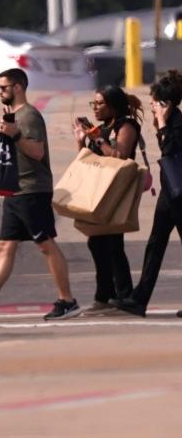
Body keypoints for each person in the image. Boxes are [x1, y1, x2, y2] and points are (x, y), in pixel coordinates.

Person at [0, 68, 82, 322]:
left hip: (32, 190)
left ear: (17, 87)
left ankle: (67, 300)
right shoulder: (14, 116)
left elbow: (37, 152)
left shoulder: (30, 116)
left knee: (45, 244)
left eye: (3, 87)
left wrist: (14, 134)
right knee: (5, 245)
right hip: (15, 190)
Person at [116, 69, 182, 317]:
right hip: (170, 193)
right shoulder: (172, 120)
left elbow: (169, 151)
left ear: (165, 104)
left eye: (154, 102)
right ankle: (139, 299)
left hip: (179, 194)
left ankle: (139, 298)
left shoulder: (176, 123)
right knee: (155, 245)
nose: (151, 106)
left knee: (156, 245)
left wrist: (163, 123)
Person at [72, 86, 143, 314]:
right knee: (97, 242)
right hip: (99, 192)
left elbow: (120, 156)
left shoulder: (126, 126)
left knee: (113, 243)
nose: (96, 108)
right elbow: (89, 160)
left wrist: (98, 139)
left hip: (116, 192)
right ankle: (106, 295)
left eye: (100, 103)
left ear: (113, 105)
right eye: (93, 104)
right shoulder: (101, 129)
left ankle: (122, 295)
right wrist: (81, 142)